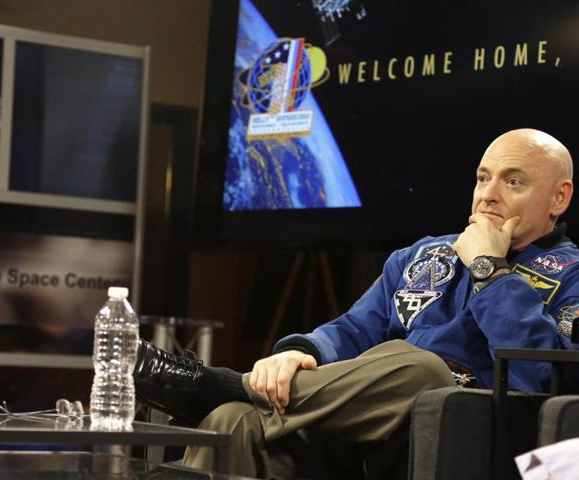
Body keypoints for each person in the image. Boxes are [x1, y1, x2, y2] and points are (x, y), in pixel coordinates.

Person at [135, 128, 579, 478]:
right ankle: (234, 396)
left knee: (419, 368)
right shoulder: (422, 255)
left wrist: (488, 268)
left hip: (475, 429)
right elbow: (352, 330)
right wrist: (299, 352)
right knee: (234, 421)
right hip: (361, 422)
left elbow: (549, 375)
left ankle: (225, 385)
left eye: (513, 181)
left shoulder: (573, 272)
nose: (488, 194)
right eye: (483, 178)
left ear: (559, 197)